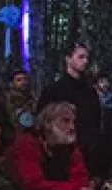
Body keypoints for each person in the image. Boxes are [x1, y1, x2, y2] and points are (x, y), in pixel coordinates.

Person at [38, 43, 104, 176]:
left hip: (87, 153)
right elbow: (42, 122)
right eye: (80, 57)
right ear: (68, 59)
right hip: (60, 153)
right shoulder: (53, 91)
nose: (85, 61)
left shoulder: (90, 92)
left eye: (87, 58)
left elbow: (95, 121)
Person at [5, 69, 37, 133]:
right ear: (12, 83)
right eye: (19, 80)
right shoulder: (6, 99)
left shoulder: (33, 98)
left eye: (25, 79)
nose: (23, 82)